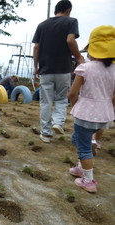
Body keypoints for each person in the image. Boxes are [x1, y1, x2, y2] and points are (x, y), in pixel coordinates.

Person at [68, 25, 115, 193]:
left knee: (83, 148)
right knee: (83, 140)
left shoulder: (85, 68)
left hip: (85, 112)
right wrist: (109, 110)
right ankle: (81, 168)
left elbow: (73, 93)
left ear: (92, 49)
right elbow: (114, 97)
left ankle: (88, 180)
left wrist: (76, 107)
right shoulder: (114, 70)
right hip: (104, 115)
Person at [32, 0, 84, 143]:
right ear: (68, 10)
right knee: (62, 98)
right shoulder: (71, 21)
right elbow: (70, 41)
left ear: (56, 10)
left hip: (45, 70)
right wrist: (79, 57)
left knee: (45, 102)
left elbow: (36, 47)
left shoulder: (42, 25)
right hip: (63, 69)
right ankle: (57, 122)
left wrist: (36, 66)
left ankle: (46, 134)